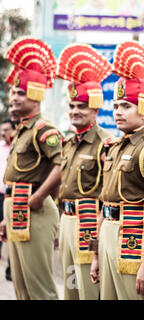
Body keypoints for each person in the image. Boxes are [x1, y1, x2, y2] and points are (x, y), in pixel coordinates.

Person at [89, 41, 144, 300]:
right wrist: (96, 254)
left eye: (126, 106)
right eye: (115, 107)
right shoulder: (112, 147)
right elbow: (104, 203)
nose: (118, 113)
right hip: (108, 234)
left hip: (132, 238)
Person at [0, 37, 61, 300]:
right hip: (16, 206)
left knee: (39, 289)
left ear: (36, 96)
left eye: (20, 93)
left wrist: (38, 197)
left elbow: (62, 164)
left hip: (35, 209)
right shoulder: (23, 130)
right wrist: (7, 215)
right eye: (13, 93)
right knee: (22, 287)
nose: (14, 98)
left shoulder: (43, 129)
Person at [56, 44, 112, 300]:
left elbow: (108, 193)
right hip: (67, 221)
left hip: (90, 222)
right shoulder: (69, 142)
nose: (75, 111)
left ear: (96, 110)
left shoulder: (105, 143)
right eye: (72, 106)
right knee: (70, 288)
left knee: (89, 290)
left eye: (82, 106)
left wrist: (99, 237)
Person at [0, 119, 14, 280]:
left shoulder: (15, 147)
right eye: (2, 130)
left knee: (13, 232)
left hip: (11, 195)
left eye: (6, 130)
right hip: (0, 196)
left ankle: (12, 270)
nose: (4, 133)